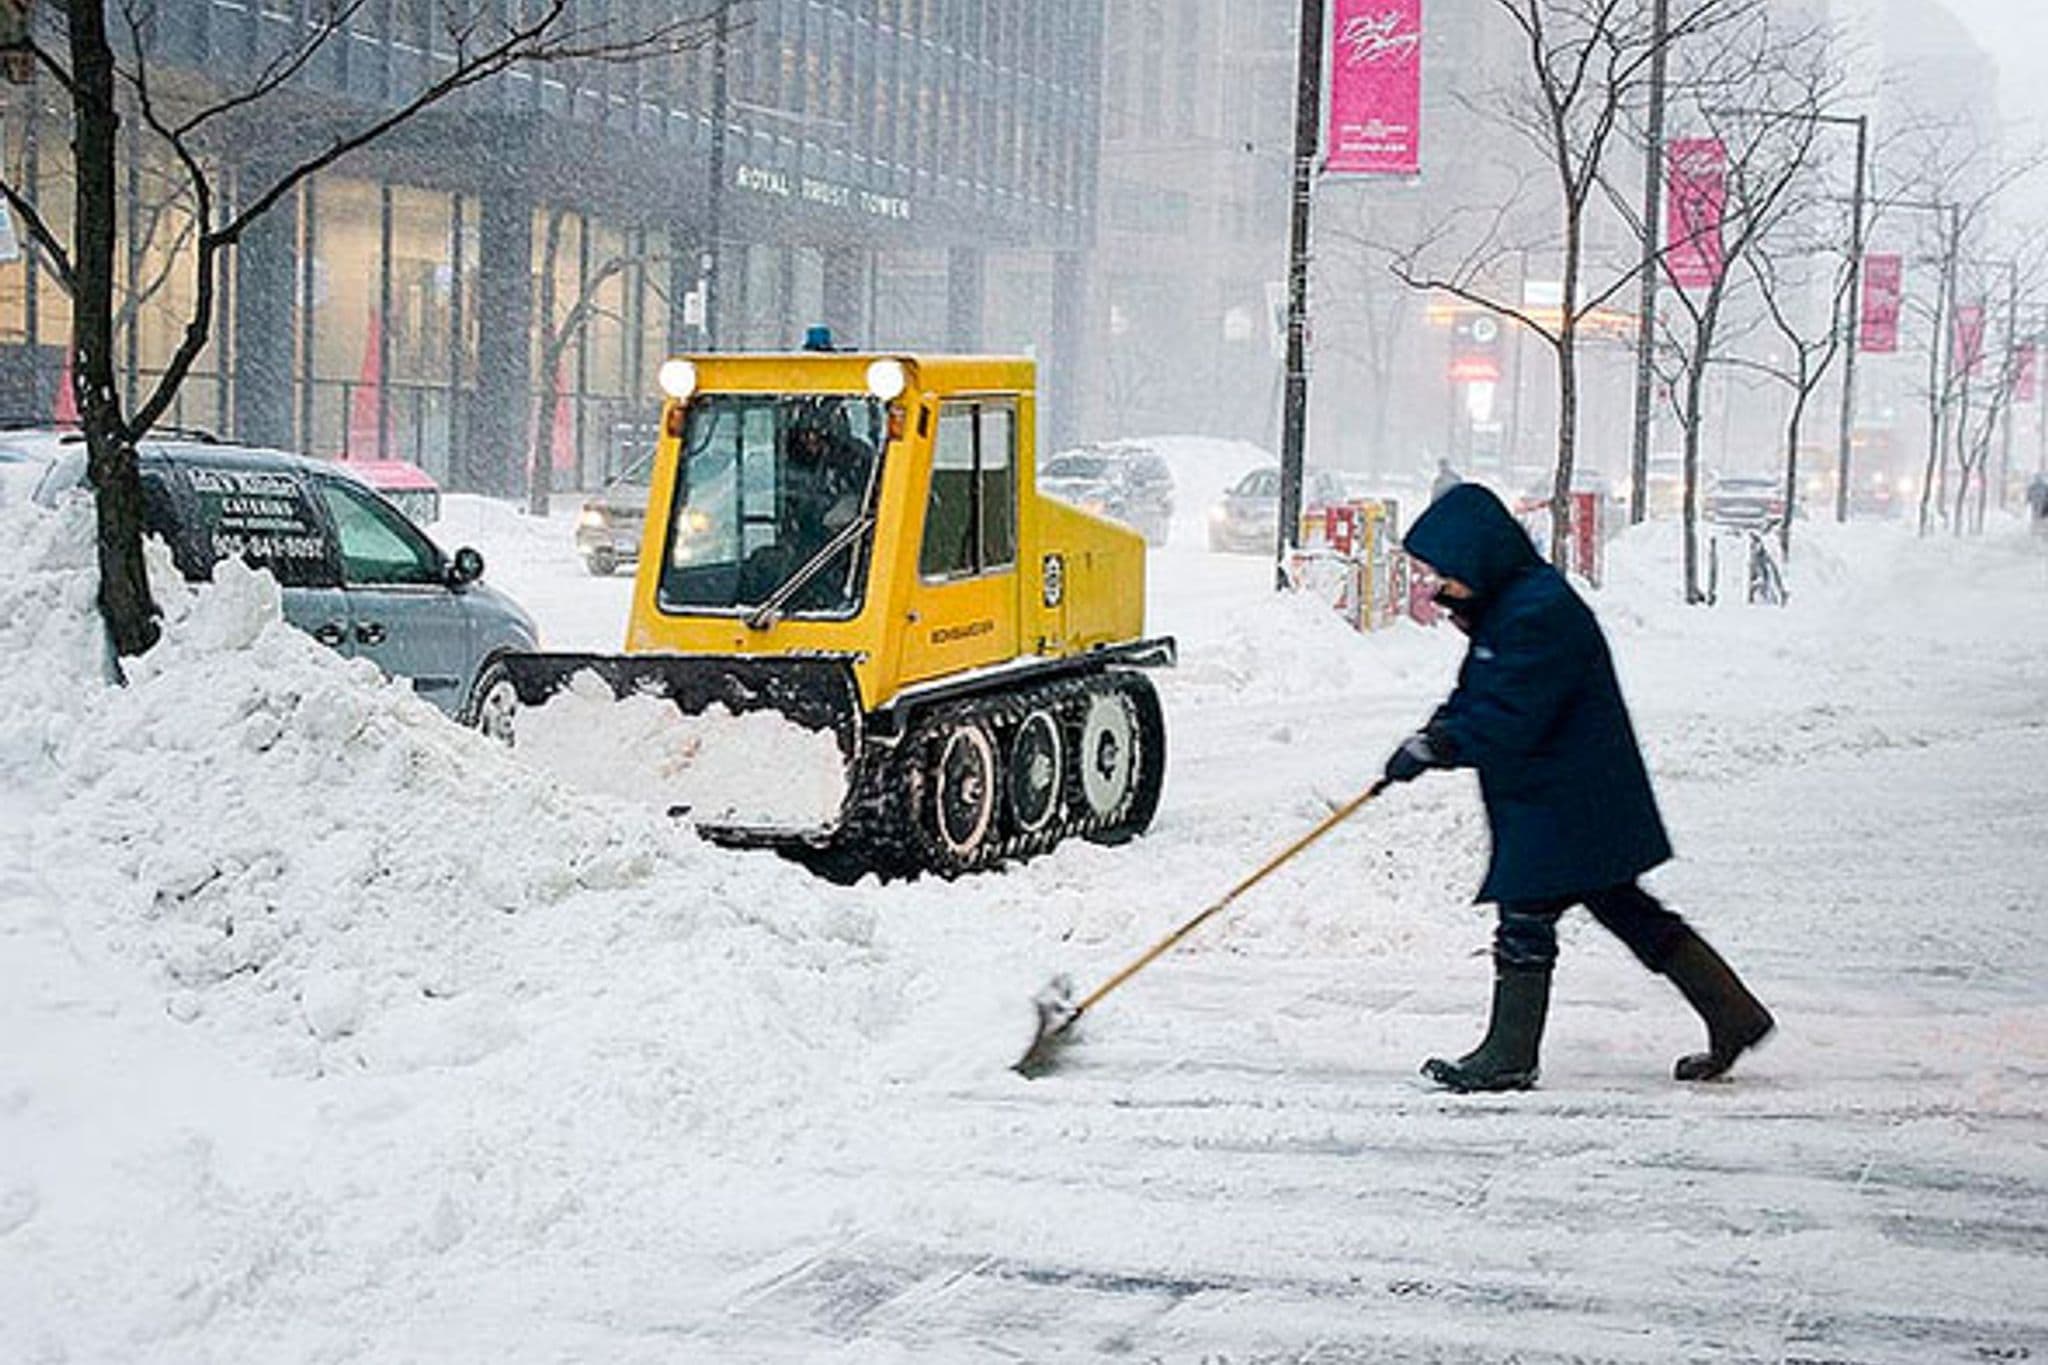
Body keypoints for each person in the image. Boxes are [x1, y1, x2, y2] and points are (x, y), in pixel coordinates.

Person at [1385, 483, 1774, 1092]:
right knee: (1630, 911)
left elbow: (1512, 710)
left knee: (1526, 916)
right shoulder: (1509, 604)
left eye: (1446, 573)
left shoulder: (1538, 611)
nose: (1440, 586)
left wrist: (1443, 745)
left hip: (1566, 799)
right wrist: (1438, 728)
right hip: (1565, 796)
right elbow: (1481, 689)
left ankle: (1510, 1055)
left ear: (1478, 555)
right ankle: (1733, 1013)